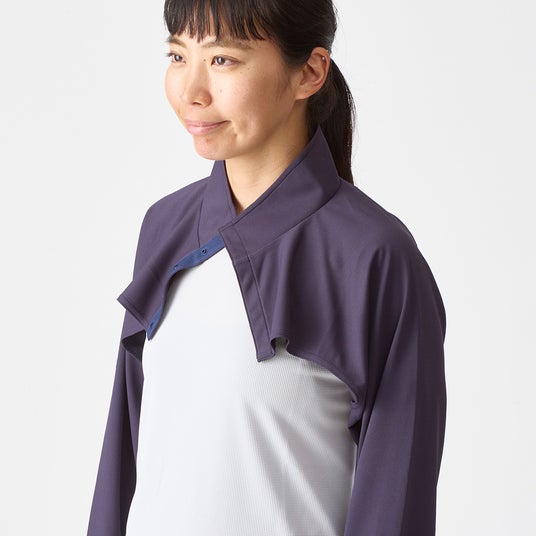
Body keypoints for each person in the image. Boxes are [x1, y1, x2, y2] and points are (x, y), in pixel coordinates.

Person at [87, 0, 447, 535]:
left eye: (223, 60)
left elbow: (396, 509)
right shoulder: (165, 227)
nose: (191, 92)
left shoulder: (376, 257)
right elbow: (125, 460)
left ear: (310, 72)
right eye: (178, 55)